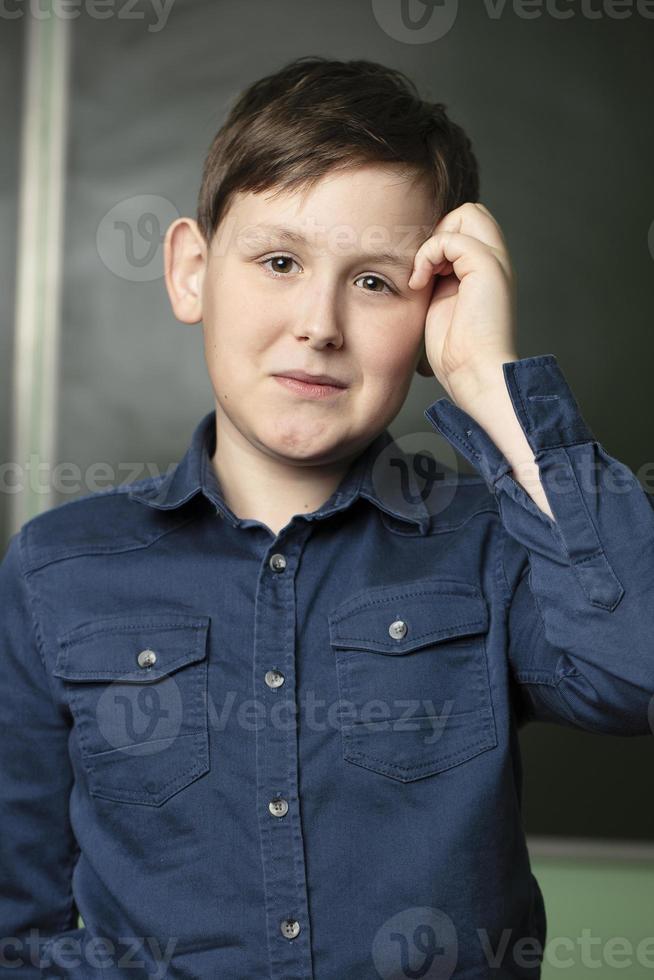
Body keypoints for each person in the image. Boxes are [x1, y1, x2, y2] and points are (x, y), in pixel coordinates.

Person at [1, 55, 652, 980]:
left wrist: (494, 390)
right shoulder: (56, 571)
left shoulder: (494, 547)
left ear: (434, 312)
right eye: (278, 261)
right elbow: (14, 929)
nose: (320, 323)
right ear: (192, 271)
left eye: (377, 283)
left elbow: (641, 671)